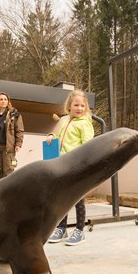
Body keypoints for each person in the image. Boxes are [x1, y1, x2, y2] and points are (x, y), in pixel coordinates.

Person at [46, 89, 95, 246]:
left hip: (77, 166)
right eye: (76, 105)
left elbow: (88, 146)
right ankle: (62, 228)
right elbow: (60, 137)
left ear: (86, 107)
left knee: (78, 199)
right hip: (64, 165)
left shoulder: (85, 124)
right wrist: (52, 136)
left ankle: (80, 231)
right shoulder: (65, 121)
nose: (79, 108)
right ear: (69, 106)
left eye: (82, 105)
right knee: (63, 199)